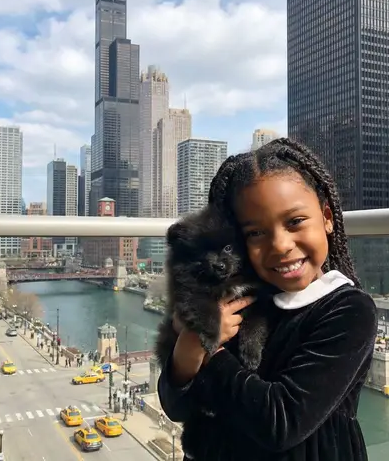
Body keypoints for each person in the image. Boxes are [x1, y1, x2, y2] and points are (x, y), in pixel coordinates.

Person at [158, 138, 377, 461]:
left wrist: (210, 349)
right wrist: (189, 345)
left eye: (295, 221)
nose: (280, 245)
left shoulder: (348, 311)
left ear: (327, 217)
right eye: (255, 233)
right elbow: (176, 406)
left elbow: (281, 424)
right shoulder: (232, 305)